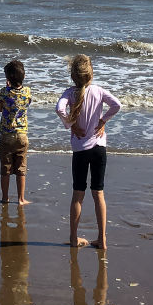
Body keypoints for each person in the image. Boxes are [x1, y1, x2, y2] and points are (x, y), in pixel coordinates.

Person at [55, 54, 121, 252]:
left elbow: (59, 109)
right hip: (99, 148)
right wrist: (103, 121)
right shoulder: (99, 91)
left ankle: (74, 239)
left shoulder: (70, 93)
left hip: (80, 151)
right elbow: (117, 105)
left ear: (73, 75)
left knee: (78, 195)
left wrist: (71, 124)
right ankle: (102, 239)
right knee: (98, 194)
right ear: (91, 74)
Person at [0, 58, 31, 205]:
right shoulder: (27, 91)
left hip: (6, 135)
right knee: (21, 168)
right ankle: (21, 199)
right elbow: (27, 102)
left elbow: (0, 108)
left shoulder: (4, 92)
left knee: (6, 168)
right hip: (22, 135)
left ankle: (5, 197)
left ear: (8, 78)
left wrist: (7, 90)